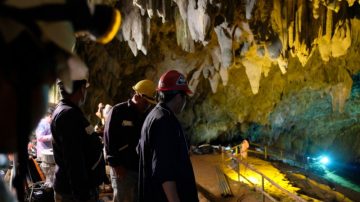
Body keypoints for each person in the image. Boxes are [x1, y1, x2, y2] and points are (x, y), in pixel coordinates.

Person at [138, 70, 199, 202]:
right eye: (185, 97)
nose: (185, 102)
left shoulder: (154, 115)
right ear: (178, 97)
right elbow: (164, 171)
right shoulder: (164, 121)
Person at [51, 79, 105, 202]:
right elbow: (74, 159)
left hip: (73, 189)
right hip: (74, 193)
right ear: (81, 89)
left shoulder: (68, 111)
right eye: (85, 88)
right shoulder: (68, 114)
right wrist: (82, 195)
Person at [104, 79, 157, 202]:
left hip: (139, 168)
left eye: (150, 103)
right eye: (146, 102)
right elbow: (108, 138)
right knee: (123, 199)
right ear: (137, 96)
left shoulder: (145, 115)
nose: (148, 105)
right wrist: (115, 164)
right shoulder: (118, 111)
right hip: (122, 169)